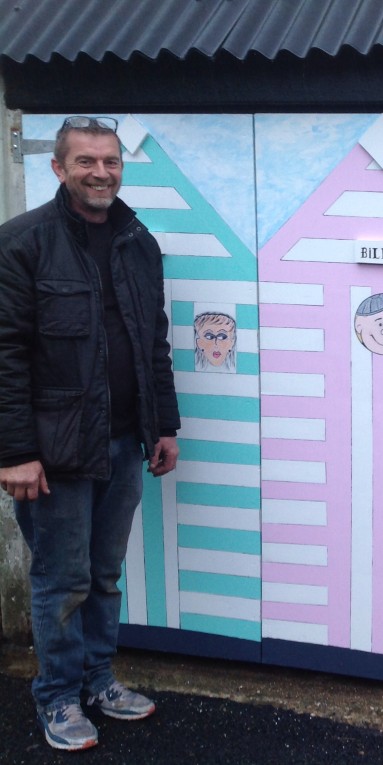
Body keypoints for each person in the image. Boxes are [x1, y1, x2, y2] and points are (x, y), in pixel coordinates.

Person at [0, 116, 180, 751]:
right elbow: (6, 353)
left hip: (125, 439)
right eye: (86, 162)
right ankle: (56, 697)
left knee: (104, 574)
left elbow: (152, 341)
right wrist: (15, 451)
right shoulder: (21, 243)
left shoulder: (138, 241)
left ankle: (99, 681)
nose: (101, 172)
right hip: (54, 451)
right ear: (59, 168)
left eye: (111, 161)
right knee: (62, 579)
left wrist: (164, 426)